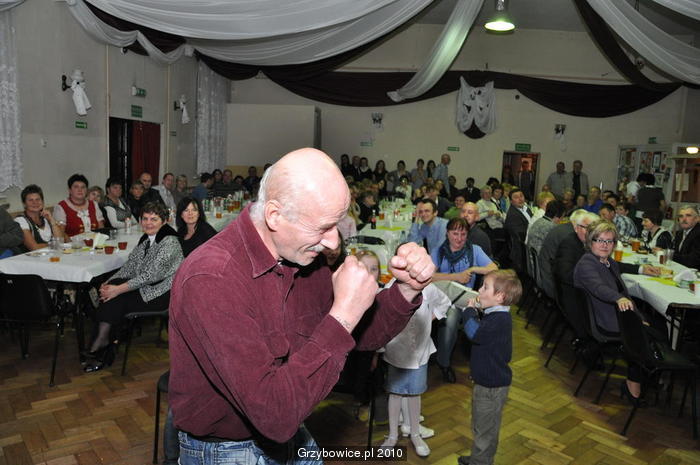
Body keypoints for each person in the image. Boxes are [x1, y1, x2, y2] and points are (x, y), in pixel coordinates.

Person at [168, 148, 435, 465]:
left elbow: (358, 337)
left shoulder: (302, 257)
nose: (334, 242)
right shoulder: (213, 278)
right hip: (227, 450)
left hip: (292, 426)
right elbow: (273, 414)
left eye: (336, 225)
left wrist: (405, 289)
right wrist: (343, 315)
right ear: (274, 216)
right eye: (322, 227)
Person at [83, 201, 183, 373]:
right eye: (145, 219)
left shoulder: (170, 242)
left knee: (116, 298)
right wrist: (109, 282)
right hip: (144, 287)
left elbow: (151, 276)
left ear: (164, 221)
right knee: (109, 294)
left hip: (160, 293)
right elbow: (130, 266)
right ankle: (106, 342)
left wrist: (117, 289)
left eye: (154, 219)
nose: (148, 223)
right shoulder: (146, 239)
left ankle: (101, 344)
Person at [573, 220, 664, 403]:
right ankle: (635, 383)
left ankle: (648, 373)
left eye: (610, 241)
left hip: (617, 314)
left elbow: (624, 291)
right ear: (590, 241)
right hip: (606, 320)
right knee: (647, 333)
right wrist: (618, 299)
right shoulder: (586, 263)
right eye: (600, 240)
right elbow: (598, 287)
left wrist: (638, 315)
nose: (605, 245)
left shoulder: (608, 262)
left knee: (658, 324)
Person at [457, 269, 522, 465]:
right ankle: (480, 458)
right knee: (484, 426)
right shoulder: (497, 315)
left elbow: (475, 334)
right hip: (488, 384)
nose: (479, 290)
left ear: (499, 297)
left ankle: (480, 462)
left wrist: (469, 311)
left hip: (491, 388)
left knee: (484, 430)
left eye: (485, 287)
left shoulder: (499, 320)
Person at [380, 278, 450, 457]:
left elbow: (444, 302)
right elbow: (381, 321)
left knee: (414, 393)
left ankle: (415, 433)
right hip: (396, 352)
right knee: (395, 393)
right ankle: (392, 436)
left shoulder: (429, 289)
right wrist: (378, 350)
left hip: (420, 353)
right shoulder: (389, 290)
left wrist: (429, 320)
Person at [432, 218, 497, 383]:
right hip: (443, 298)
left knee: (461, 316)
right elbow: (429, 276)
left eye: (463, 234)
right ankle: (443, 362)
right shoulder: (439, 251)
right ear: (447, 233)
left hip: (465, 300)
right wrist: (456, 277)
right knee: (451, 317)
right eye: (455, 234)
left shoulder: (474, 250)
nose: (459, 238)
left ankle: (450, 361)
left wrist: (474, 268)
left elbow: (493, 268)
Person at [15, 185, 64, 252]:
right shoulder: (20, 220)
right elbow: (34, 247)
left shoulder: (46, 217)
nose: (35, 203)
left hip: (52, 255)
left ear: (42, 202)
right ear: (24, 204)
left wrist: (52, 220)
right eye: (30, 200)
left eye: (38, 199)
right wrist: (54, 244)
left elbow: (61, 241)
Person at [504, 188, 532, 270]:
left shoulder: (526, 209)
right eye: (516, 197)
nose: (520, 199)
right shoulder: (513, 215)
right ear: (511, 201)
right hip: (520, 249)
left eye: (521, 196)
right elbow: (521, 236)